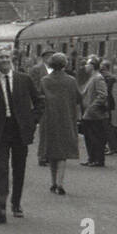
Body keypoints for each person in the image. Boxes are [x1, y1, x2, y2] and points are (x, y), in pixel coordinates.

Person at [0, 49, 44, 223]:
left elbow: (39, 101)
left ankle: (16, 203)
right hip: (0, 131)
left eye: (7, 57)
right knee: (2, 169)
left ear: (11, 59)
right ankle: (1, 205)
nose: (5, 60)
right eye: (1, 58)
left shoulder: (24, 79)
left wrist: (33, 120)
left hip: (20, 129)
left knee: (19, 168)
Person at [39, 53, 81, 194]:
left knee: (51, 152)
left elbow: (39, 97)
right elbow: (78, 98)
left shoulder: (45, 80)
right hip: (66, 118)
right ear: (64, 64)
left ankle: (52, 182)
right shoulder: (71, 80)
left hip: (49, 118)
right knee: (62, 153)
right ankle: (60, 183)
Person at [78, 56, 109, 167]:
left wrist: (92, 107)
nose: (85, 66)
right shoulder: (92, 78)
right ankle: (92, 158)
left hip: (94, 115)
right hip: (89, 114)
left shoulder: (98, 78)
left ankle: (97, 160)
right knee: (89, 138)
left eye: (87, 64)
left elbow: (103, 95)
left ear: (92, 66)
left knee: (95, 137)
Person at [29, 50, 55, 165]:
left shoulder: (57, 70)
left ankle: (50, 154)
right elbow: (33, 86)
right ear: (45, 58)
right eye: (51, 57)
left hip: (54, 104)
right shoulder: (36, 69)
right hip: (42, 103)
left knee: (53, 131)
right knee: (44, 132)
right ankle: (42, 156)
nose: (52, 60)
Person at [100, 60, 117, 155]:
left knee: (106, 126)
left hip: (105, 104)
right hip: (107, 103)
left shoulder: (107, 77)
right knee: (105, 125)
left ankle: (112, 147)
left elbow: (105, 91)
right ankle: (105, 146)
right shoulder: (107, 77)